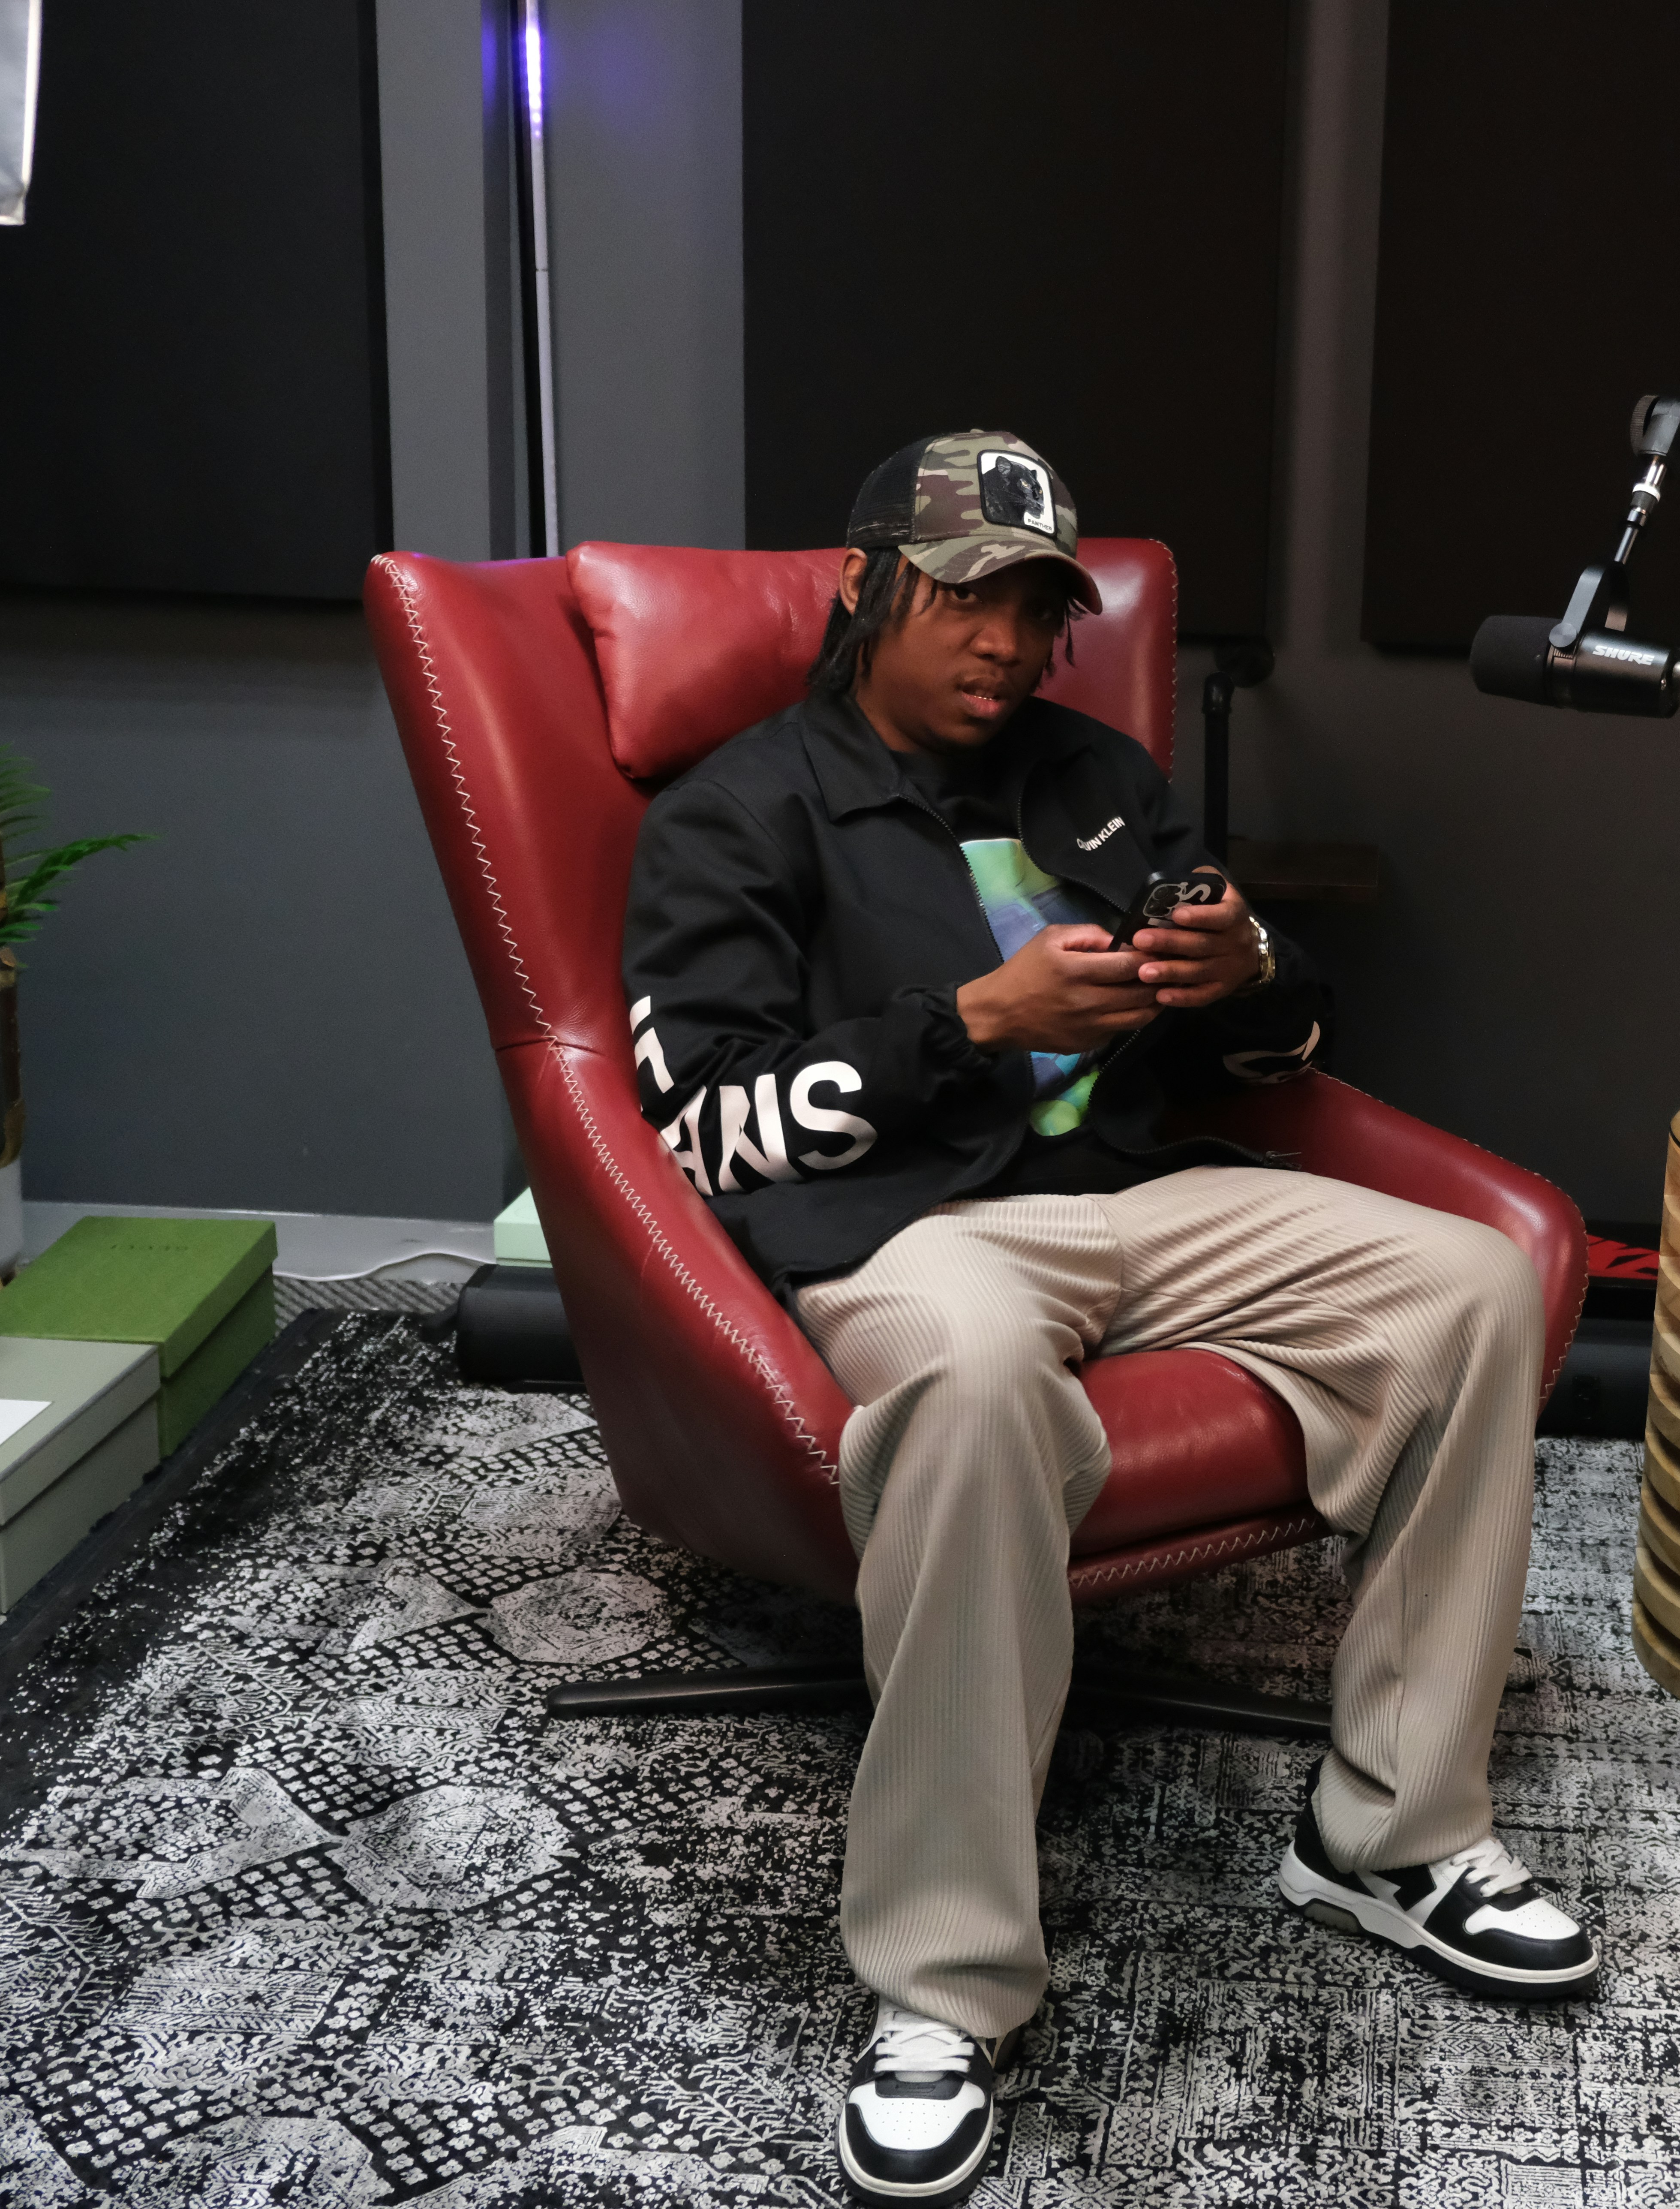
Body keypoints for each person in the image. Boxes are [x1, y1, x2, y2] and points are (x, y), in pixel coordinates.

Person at [622, 432, 1599, 2206]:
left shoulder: (1095, 777)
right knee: (982, 1368)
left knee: (1470, 1282)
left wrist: (1256, 981)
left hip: (1147, 1200)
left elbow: (1269, 1040)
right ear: (864, 590)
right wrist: (968, 1023)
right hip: (917, 1229)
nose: (1005, 640)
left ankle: (1392, 1834)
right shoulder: (739, 809)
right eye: (964, 596)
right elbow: (705, 1129)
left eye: (1037, 606)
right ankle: (940, 1985)